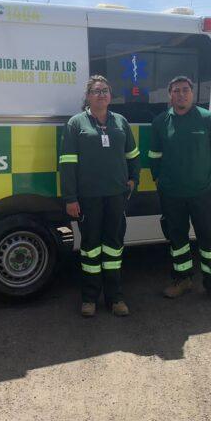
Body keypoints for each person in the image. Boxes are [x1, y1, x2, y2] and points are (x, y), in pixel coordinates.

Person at [59, 76, 141, 317]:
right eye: (96, 91)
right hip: (89, 198)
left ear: (110, 95)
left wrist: (133, 178)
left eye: (105, 90)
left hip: (116, 195)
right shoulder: (76, 124)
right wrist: (70, 198)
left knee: (114, 248)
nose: (102, 95)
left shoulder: (120, 122)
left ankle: (115, 298)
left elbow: (133, 154)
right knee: (91, 248)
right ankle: (89, 299)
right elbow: (67, 163)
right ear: (88, 96)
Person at [148, 75, 211, 303]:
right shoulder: (160, 122)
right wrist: (159, 181)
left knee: (209, 239)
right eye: (176, 90)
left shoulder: (208, 119)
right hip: (172, 194)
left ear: (192, 93)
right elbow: (154, 157)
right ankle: (182, 280)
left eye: (185, 90)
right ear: (170, 95)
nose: (181, 94)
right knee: (177, 240)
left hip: (203, 193)